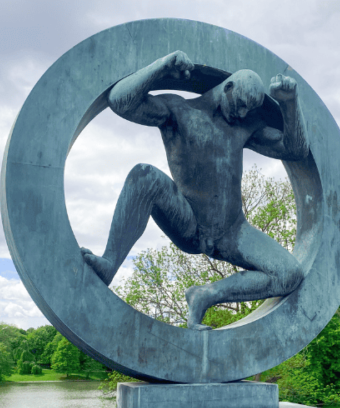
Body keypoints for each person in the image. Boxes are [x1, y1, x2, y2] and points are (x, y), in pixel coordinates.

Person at [80, 50, 309, 331]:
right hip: (189, 222)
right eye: (239, 105)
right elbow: (120, 102)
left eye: (248, 110)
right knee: (144, 176)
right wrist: (161, 66)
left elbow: (295, 150)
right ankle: (108, 264)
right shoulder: (179, 111)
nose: (242, 114)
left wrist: (289, 103)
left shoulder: (244, 126)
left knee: (290, 275)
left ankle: (206, 295)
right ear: (228, 88)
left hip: (233, 230)